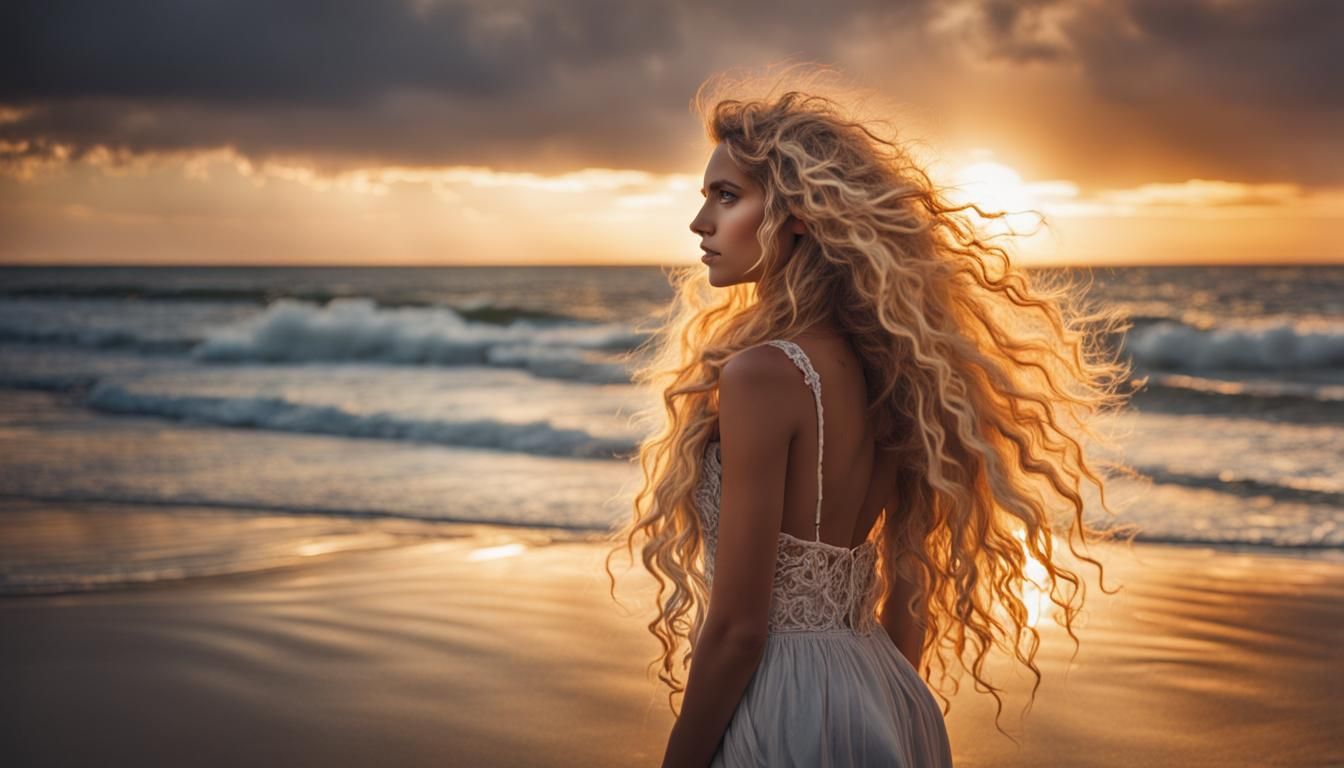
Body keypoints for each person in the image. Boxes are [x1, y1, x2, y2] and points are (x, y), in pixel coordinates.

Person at [605, 69, 1134, 768]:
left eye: (726, 197)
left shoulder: (762, 375)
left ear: (796, 211)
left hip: (783, 707)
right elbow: (908, 594)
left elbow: (738, 628)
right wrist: (885, 699)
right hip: (887, 693)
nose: (701, 222)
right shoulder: (902, 374)